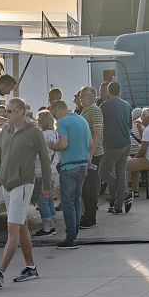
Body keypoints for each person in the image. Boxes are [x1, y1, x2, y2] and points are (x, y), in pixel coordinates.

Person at [0, 97, 51, 287]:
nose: (6, 114)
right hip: (6, 183)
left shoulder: (34, 132)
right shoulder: (5, 130)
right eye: (6, 111)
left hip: (22, 184)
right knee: (21, 227)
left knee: (12, 228)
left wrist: (46, 186)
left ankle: (0, 272)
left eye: (11, 111)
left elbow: (45, 160)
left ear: (21, 112)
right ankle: (31, 267)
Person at [48, 101, 91, 249]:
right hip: (83, 164)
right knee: (77, 200)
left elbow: (63, 144)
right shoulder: (82, 119)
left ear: (58, 111)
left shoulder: (63, 122)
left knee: (67, 202)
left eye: (54, 116)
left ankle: (70, 237)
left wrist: (52, 146)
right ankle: (75, 233)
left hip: (69, 166)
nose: (55, 119)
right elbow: (91, 143)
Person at [99, 82, 133, 216]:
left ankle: (124, 193)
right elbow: (129, 126)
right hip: (126, 142)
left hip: (112, 144)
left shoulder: (104, 106)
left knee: (104, 172)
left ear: (108, 91)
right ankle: (118, 205)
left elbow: (100, 126)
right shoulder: (126, 105)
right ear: (120, 91)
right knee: (120, 173)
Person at [76, 86, 104, 229]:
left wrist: (90, 155)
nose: (80, 98)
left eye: (83, 95)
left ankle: (90, 217)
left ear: (92, 96)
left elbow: (97, 134)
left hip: (93, 154)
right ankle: (86, 214)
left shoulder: (95, 110)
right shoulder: (85, 110)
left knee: (89, 186)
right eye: (80, 96)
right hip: (86, 152)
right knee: (86, 186)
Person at [32, 110, 58, 237]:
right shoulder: (55, 134)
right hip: (52, 170)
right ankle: (52, 224)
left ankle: (47, 227)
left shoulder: (41, 135)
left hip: (41, 171)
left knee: (42, 200)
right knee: (49, 199)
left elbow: (37, 155)